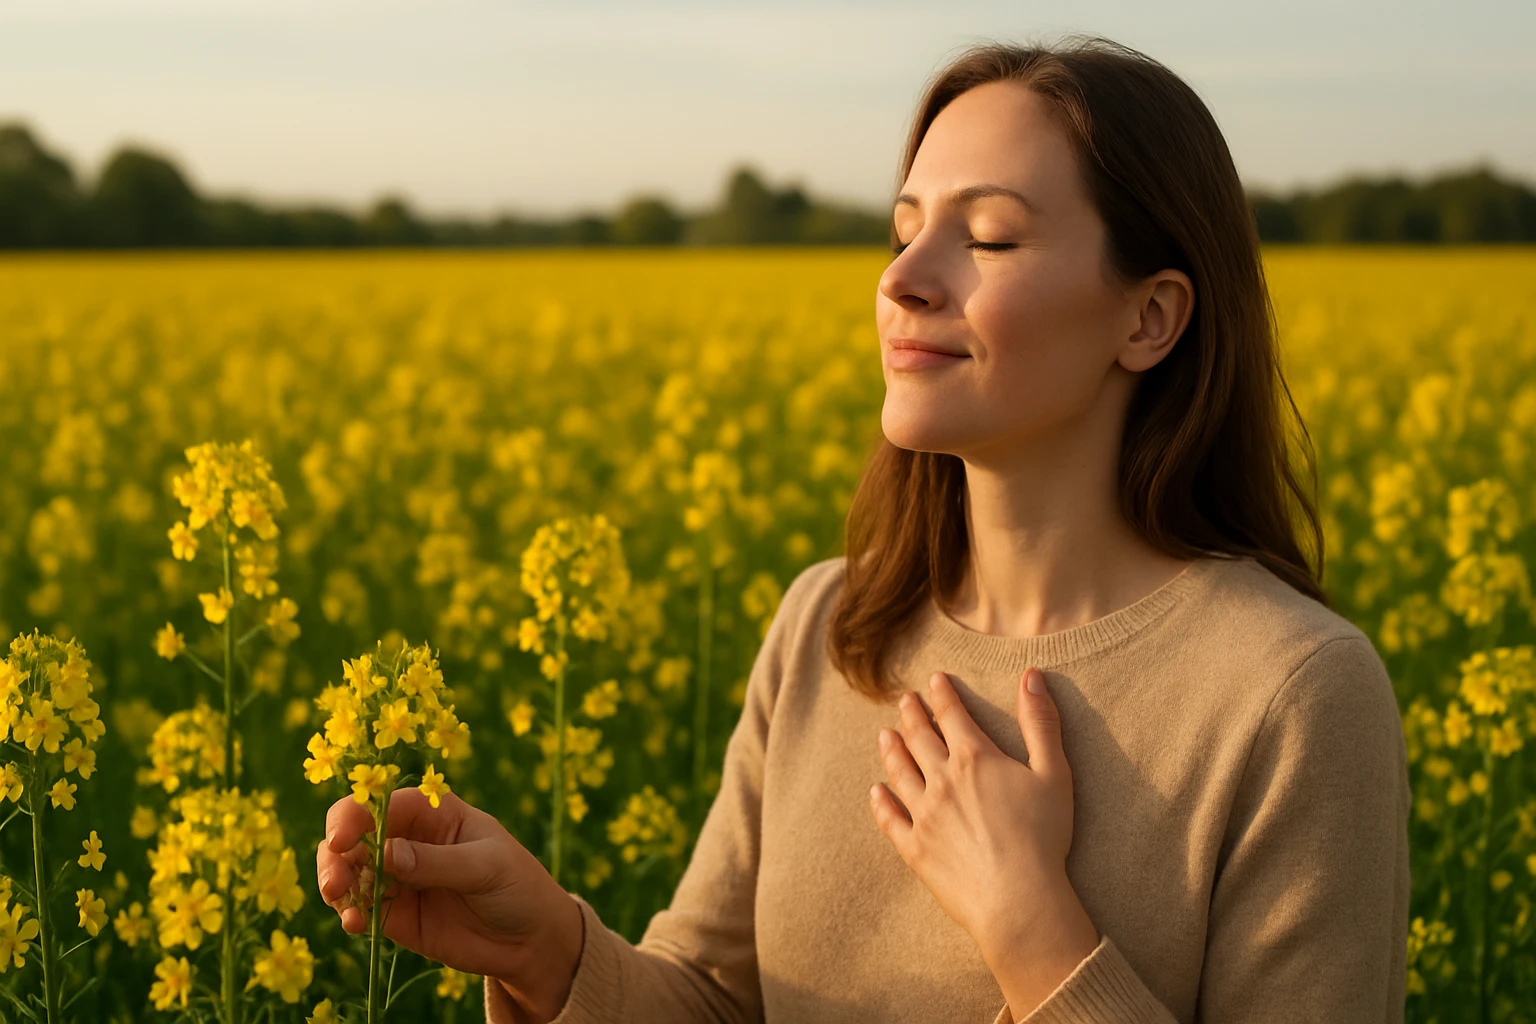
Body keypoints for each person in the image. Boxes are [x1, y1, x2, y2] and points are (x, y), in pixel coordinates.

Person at [317, 34, 1410, 1024]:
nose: (902, 280)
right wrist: (553, 951)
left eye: (985, 236)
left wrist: (1033, 928)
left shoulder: (1291, 693)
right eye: (903, 231)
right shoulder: (829, 623)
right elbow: (711, 1002)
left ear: (1150, 316)